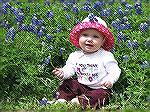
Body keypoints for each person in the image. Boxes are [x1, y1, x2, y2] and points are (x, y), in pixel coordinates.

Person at [52, 14, 121, 109]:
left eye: (95, 37)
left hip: (99, 88)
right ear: (79, 37)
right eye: (85, 35)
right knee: (68, 83)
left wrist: (110, 80)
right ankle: (62, 99)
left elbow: (114, 70)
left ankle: (80, 102)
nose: (89, 39)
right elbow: (70, 68)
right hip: (81, 85)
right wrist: (63, 72)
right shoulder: (75, 55)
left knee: (103, 95)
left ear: (103, 41)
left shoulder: (106, 56)